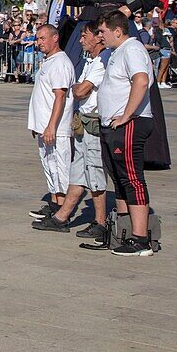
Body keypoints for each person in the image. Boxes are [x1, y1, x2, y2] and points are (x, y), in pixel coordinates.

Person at [60, 0, 169, 169]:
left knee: (122, 73)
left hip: (114, 23)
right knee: (76, 73)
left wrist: (130, 8)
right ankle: (74, 133)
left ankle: (130, 132)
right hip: (88, 23)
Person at [32, 24, 108, 239]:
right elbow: (78, 91)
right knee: (76, 174)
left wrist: (51, 125)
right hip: (81, 122)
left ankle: (99, 221)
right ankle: (61, 215)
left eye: (85, 36)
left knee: (90, 174)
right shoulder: (89, 61)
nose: (81, 40)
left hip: (89, 123)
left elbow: (75, 92)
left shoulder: (100, 61)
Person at [95, 11, 157, 256]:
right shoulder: (115, 52)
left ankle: (141, 238)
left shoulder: (132, 49)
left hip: (131, 124)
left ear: (117, 30)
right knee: (119, 178)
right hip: (114, 125)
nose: (100, 36)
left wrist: (127, 114)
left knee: (132, 178)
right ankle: (124, 230)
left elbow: (141, 80)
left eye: (103, 31)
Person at [26, 25, 75, 221]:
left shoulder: (60, 63)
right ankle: (54, 204)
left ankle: (63, 211)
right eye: (37, 39)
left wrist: (51, 126)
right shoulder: (48, 61)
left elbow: (60, 97)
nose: (39, 43)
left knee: (60, 167)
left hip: (56, 128)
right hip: (43, 125)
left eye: (43, 38)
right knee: (49, 166)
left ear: (55, 38)